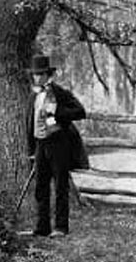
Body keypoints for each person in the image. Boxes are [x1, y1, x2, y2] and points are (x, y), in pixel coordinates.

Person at [25, 52, 88, 238]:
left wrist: (57, 111)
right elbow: (29, 122)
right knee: (40, 187)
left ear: (47, 74)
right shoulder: (33, 95)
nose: (37, 77)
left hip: (58, 144)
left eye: (41, 74)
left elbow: (80, 111)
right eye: (35, 74)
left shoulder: (59, 92)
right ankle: (42, 227)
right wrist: (31, 149)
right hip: (40, 145)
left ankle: (61, 227)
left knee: (60, 186)